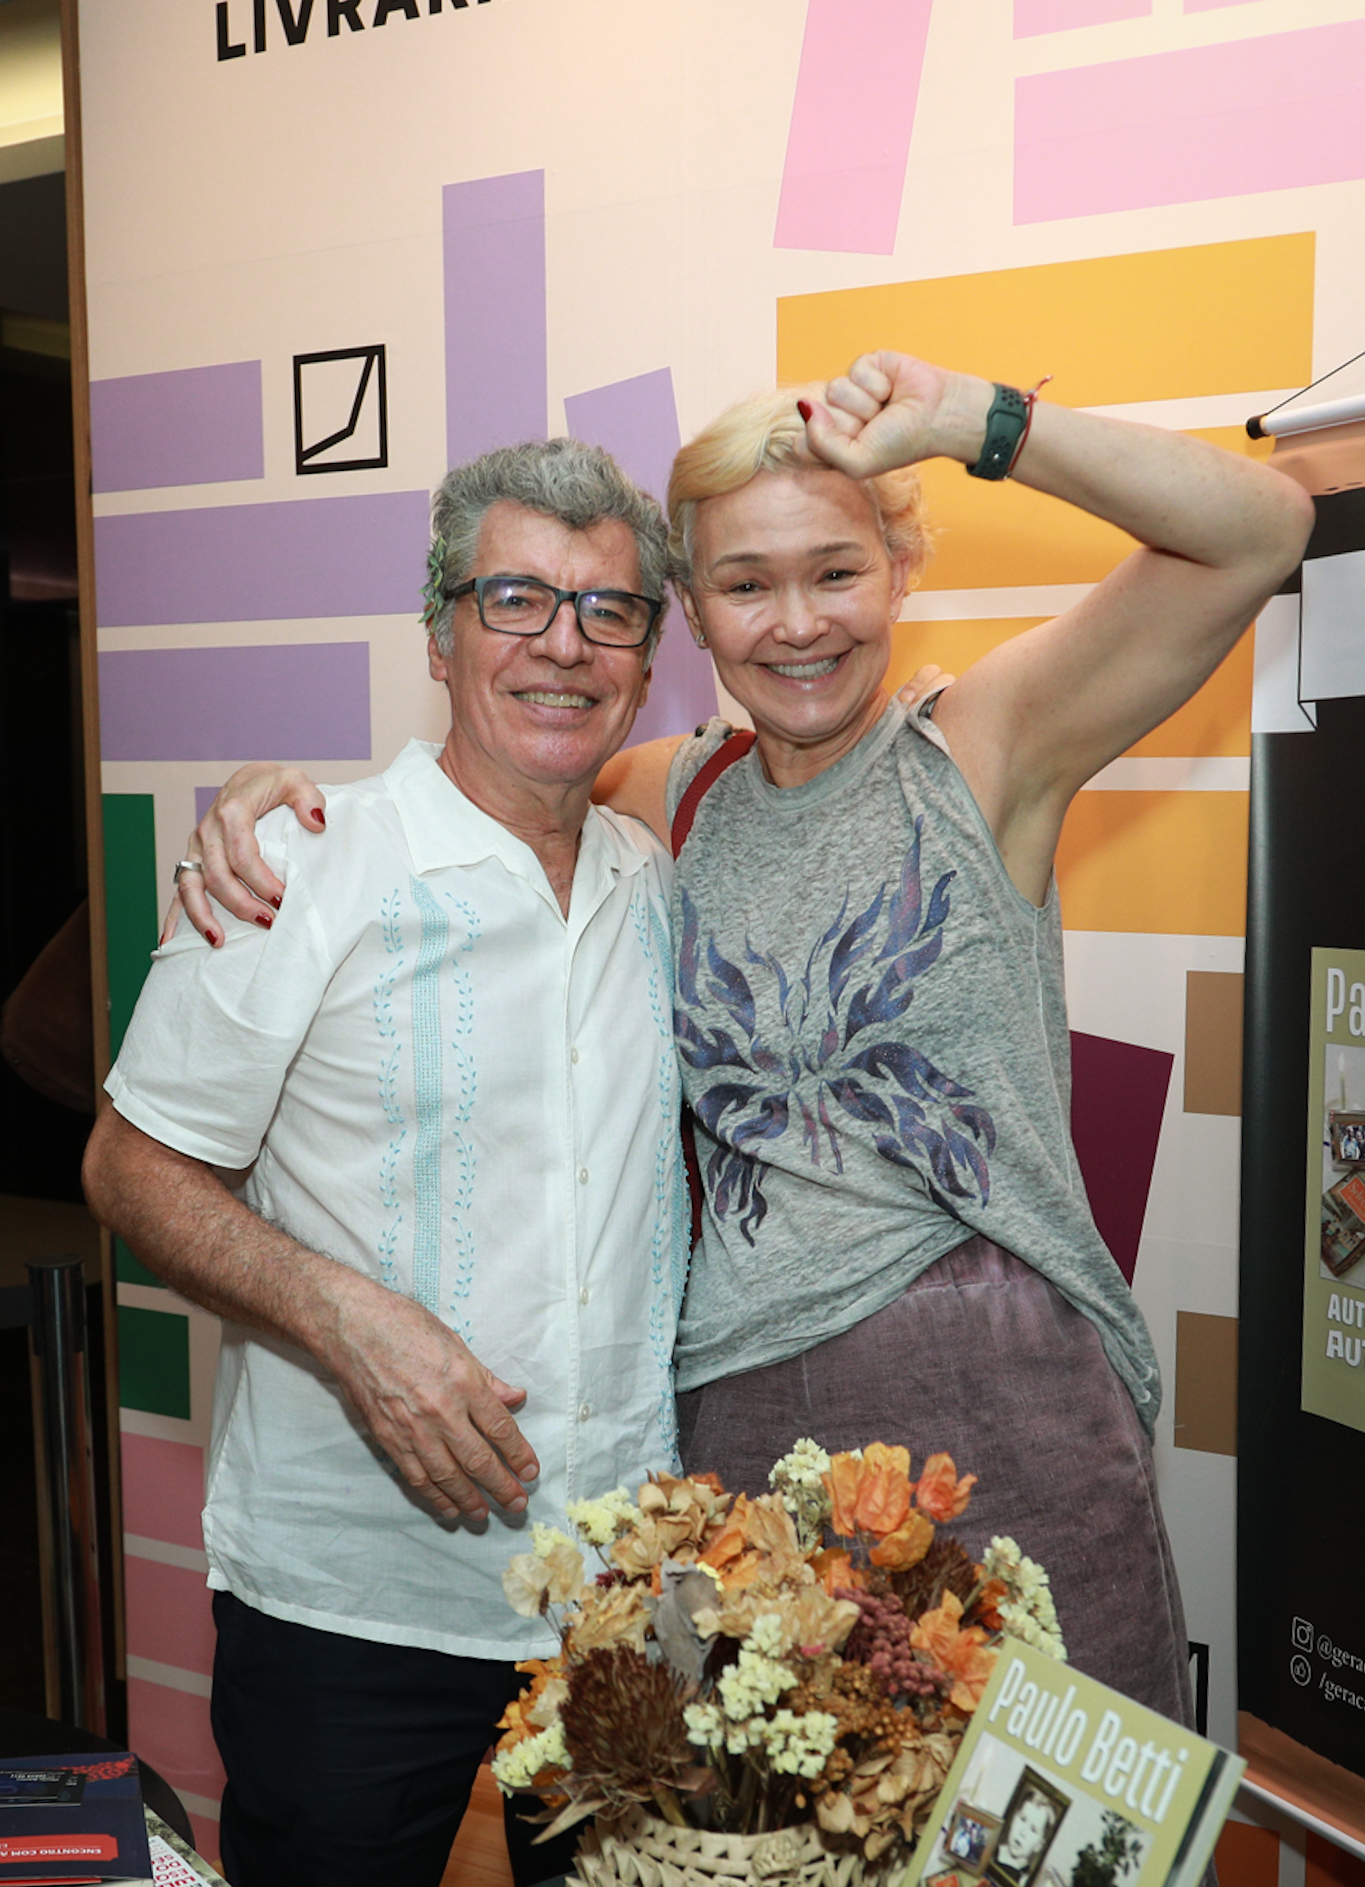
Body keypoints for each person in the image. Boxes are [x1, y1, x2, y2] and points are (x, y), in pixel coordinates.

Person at [180, 350, 1312, 1736]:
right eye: (742, 584)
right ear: (690, 624)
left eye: (834, 572)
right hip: (736, 1439)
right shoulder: (667, 793)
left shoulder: (984, 749)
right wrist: (275, 807)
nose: (794, 626)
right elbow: (482, 785)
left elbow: (1258, 528)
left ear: (900, 573)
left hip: (1003, 1408)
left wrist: (971, 421)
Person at [81, 439, 691, 1887]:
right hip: (359, 1599)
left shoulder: (657, 878)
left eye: (608, 611)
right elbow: (131, 1166)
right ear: (438, 633)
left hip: (615, 1595)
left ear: (646, 652)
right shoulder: (296, 864)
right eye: (515, 599)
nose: (561, 642)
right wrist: (357, 1328)